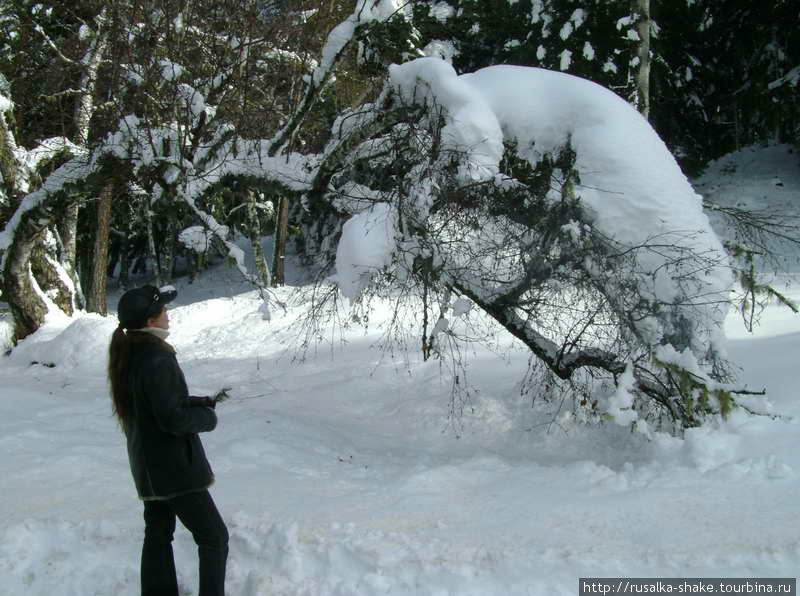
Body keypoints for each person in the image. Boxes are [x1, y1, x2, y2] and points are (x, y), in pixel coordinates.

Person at [108, 284, 228, 596]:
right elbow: (171, 419)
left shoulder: (130, 351)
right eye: (164, 310)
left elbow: (153, 404)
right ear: (150, 321)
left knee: (159, 532)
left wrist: (197, 402)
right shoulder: (156, 358)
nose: (168, 315)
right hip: (174, 470)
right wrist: (207, 419)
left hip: (149, 467)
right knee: (214, 537)